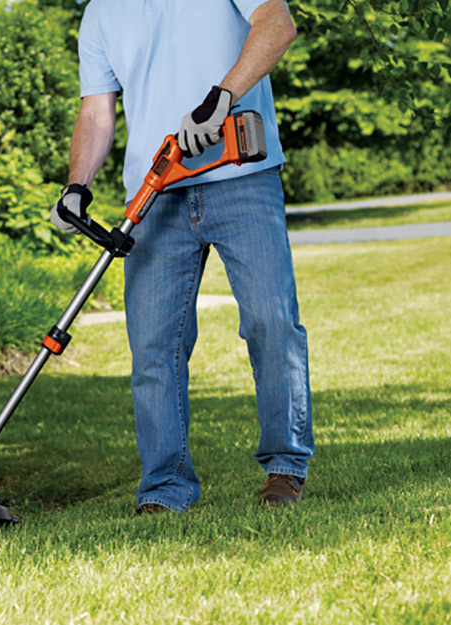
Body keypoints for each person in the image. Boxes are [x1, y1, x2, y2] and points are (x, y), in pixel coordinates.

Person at [51, 0, 313, 513]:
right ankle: (164, 487)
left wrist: (222, 98)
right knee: (153, 347)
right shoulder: (100, 13)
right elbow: (96, 110)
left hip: (241, 174)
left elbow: (278, 26)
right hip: (155, 191)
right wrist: (77, 185)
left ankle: (285, 468)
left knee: (271, 322)